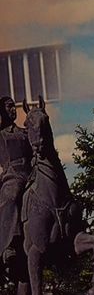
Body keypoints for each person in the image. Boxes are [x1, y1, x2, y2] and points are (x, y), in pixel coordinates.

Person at [0, 96, 31, 267]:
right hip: (12, 175)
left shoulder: (24, 132)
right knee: (11, 197)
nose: (13, 109)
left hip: (31, 173)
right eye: (9, 106)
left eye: (14, 106)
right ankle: (9, 242)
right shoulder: (0, 135)